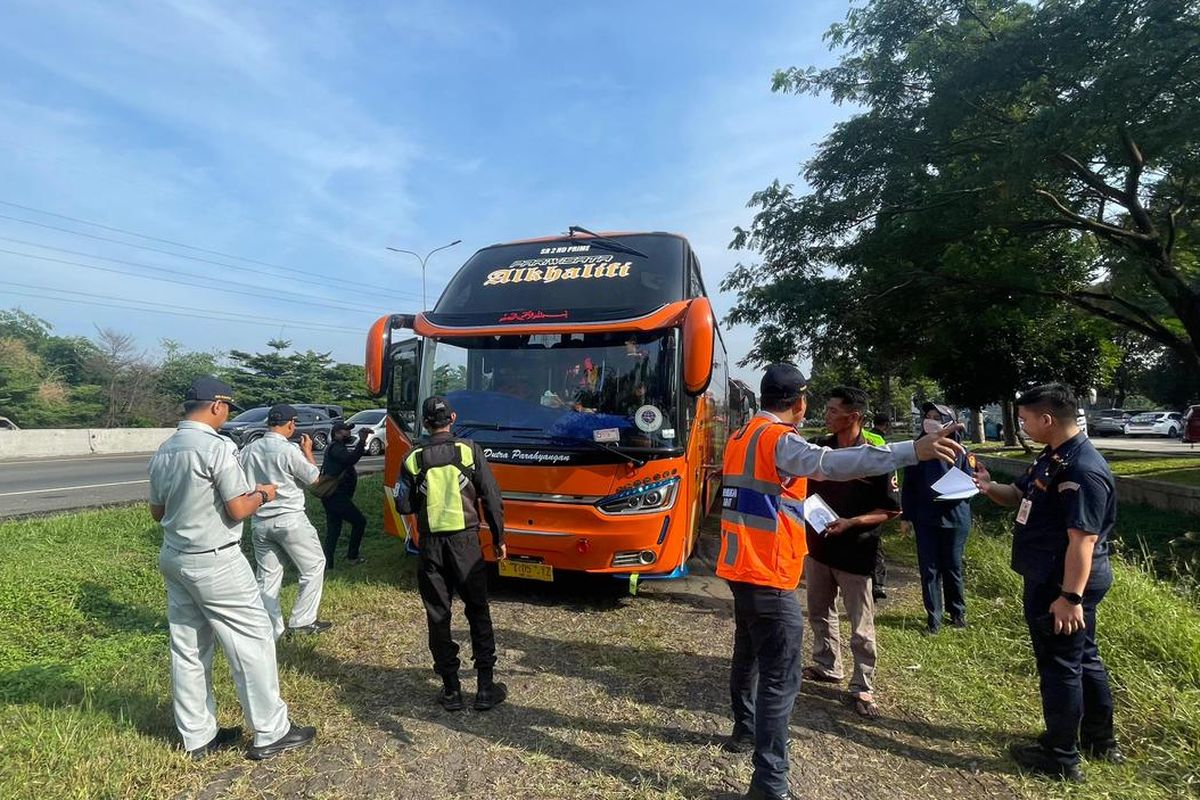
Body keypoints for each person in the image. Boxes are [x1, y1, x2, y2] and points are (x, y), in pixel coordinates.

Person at [717, 364, 964, 800]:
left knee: (748, 654)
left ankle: (744, 729)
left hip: (739, 566)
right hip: (766, 572)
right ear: (799, 403)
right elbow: (829, 464)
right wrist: (913, 450)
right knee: (780, 678)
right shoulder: (777, 439)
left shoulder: (741, 436)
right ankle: (770, 786)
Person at [148, 377, 315, 761]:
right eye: (226, 411)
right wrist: (263, 493)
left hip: (175, 557)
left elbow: (158, 512)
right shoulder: (217, 447)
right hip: (217, 558)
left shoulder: (166, 449)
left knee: (189, 647)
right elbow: (238, 507)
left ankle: (198, 736)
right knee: (252, 640)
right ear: (217, 407)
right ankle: (271, 731)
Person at [974, 383, 1122, 782]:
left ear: (1047, 419)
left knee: (1060, 666)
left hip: (1063, 583)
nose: (1022, 427)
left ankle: (1061, 755)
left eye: (1024, 421)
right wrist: (987, 486)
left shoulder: (1082, 470)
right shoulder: (1052, 458)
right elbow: (1016, 495)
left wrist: (1069, 597)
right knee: (1083, 657)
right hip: (1050, 576)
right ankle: (1099, 741)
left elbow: (1083, 540)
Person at [393, 396, 508, 711]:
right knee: (477, 611)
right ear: (452, 418)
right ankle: (485, 687)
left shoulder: (413, 457)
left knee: (438, 616)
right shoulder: (470, 451)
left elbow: (403, 504)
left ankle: (451, 690)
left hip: (431, 546)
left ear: (425, 422)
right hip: (466, 544)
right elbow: (492, 498)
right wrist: (499, 538)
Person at [801, 387, 900, 719]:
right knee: (819, 611)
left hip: (856, 552)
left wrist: (852, 522)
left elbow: (890, 510)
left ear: (853, 416)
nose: (826, 415)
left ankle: (863, 685)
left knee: (860, 624)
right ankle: (828, 664)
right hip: (818, 547)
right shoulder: (821, 450)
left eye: (832, 411)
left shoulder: (877, 455)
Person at [239, 404, 331, 640]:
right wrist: (308, 451)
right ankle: (303, 620)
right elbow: (314, 480)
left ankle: (271, 630)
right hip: (289, 519)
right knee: (313, 566)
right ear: (291, 423)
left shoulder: (249, 449)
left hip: (260, 520)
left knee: (268, 576)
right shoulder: (288, 450)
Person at [901, 401, 974, 635]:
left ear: (950, 423)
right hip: (926, 518)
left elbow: (971, 483)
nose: (930, 420)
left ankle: (958, 614)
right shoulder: (917, 451)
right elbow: (909, 486)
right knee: (929, 569)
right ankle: (934, 619)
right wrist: (906, 516)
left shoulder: (961, 450)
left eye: (937, 416)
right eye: (928, 416)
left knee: (952, 566)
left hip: (955, 517)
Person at [320, 419, 370, 568]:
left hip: (333, 496)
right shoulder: (336, 448)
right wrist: (362, 441)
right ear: (336, 433)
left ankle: (327, 564)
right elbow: (351, 459)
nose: (349, 432)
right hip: (336, 497)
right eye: (345, 430)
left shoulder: (337, 446)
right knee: (359, 522)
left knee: (334, 529)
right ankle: (352, 556)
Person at [863, 415, 890, 601]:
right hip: (873, 499)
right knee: (875, 543)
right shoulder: (878, 440)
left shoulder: (837, 436)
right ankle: (877, 583)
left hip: (857, 499)